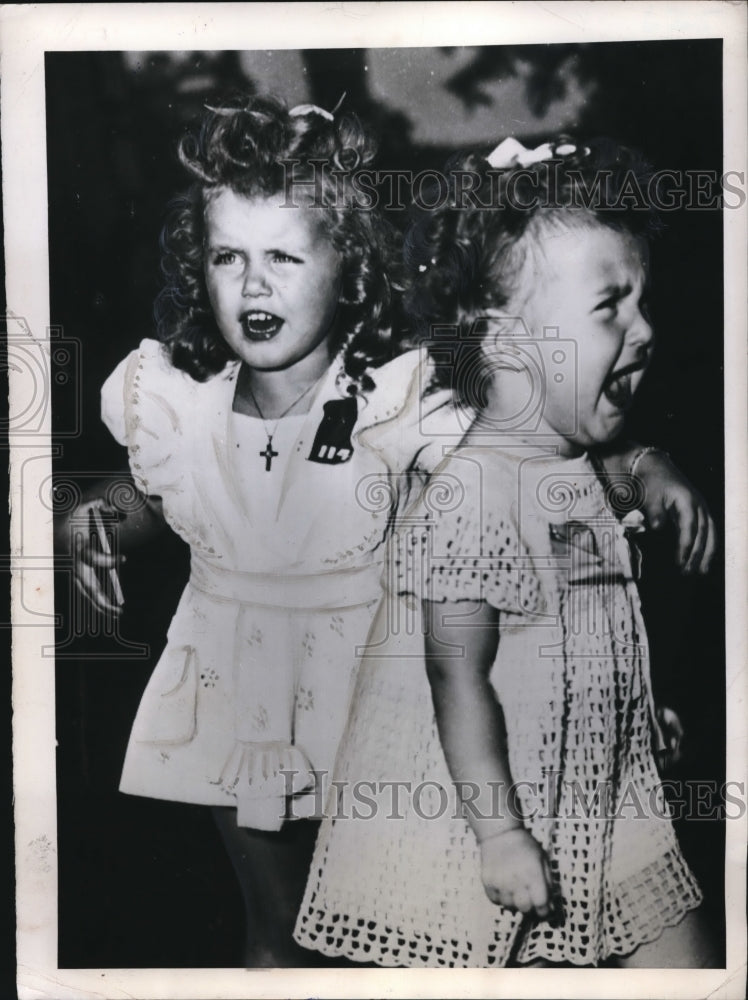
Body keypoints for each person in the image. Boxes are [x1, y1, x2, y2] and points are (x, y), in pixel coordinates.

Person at [294, 136, 717, 968]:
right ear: (507, 339)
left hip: (599, 787)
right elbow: (455, 677)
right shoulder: (473, 495)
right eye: (611, 308)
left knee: (692, 968)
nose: (646, 330)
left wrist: (630, 704)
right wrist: (499, 833)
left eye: (642, 303)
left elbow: (582, 616)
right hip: (480, 817)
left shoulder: (575, 467)